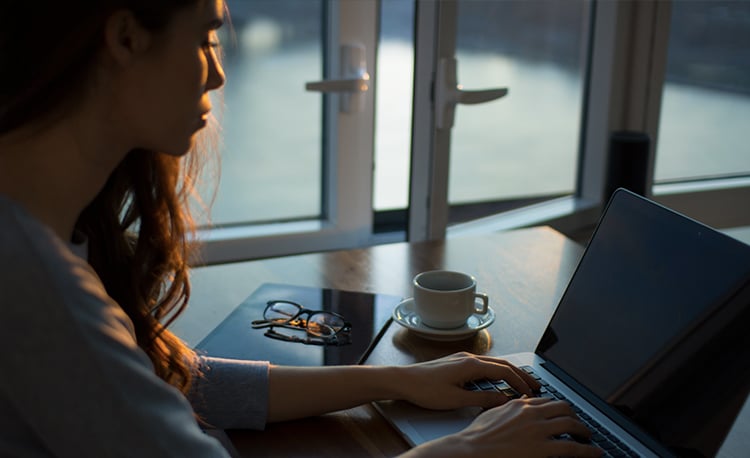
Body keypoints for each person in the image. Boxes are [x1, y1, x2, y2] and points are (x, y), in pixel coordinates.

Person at [0, 1, 602, 457]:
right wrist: (467, 449)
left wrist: (398, 380)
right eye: (206, 38)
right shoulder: (38, 288)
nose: (217, 75)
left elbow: (173, 383)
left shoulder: (38, 235)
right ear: (127, 37)